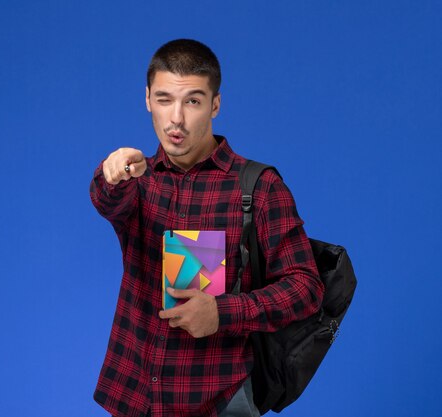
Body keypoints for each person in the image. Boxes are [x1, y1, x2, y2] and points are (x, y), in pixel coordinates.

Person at [90, 39, 324, 417]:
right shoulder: (139, 181)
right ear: (148, 99)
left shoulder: (258, 187)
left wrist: (223, 312)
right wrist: (111, 172)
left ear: (215, 105)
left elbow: (305, 286)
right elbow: (106, 201)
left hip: (218, 398)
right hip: (135, 396)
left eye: (193, 101)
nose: (176, 119)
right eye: (165, 99)